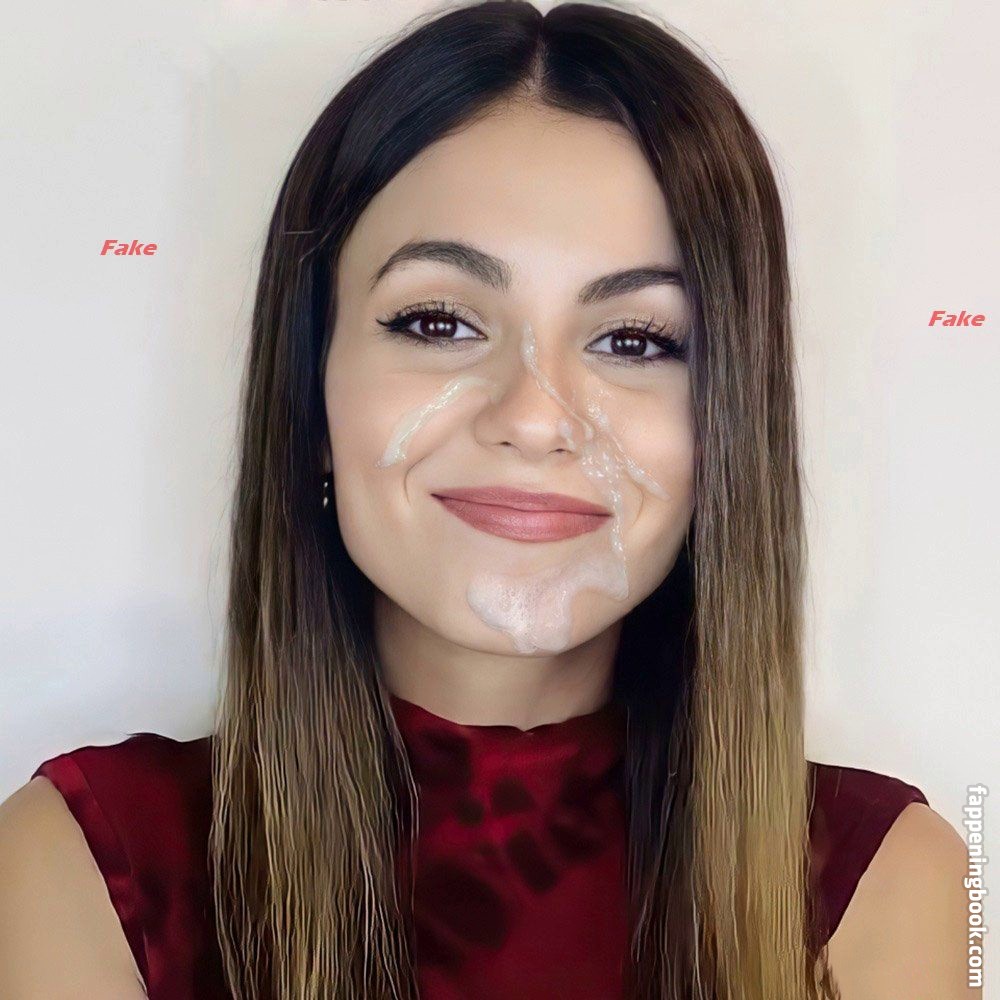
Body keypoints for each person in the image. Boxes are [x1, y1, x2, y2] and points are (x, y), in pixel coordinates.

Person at [0, 2, 973, 998]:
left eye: (635, 340)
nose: (535, 418)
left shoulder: (884, 884)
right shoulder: (88, 866)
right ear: (311, 389)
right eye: (438, 322)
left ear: (729, 428)